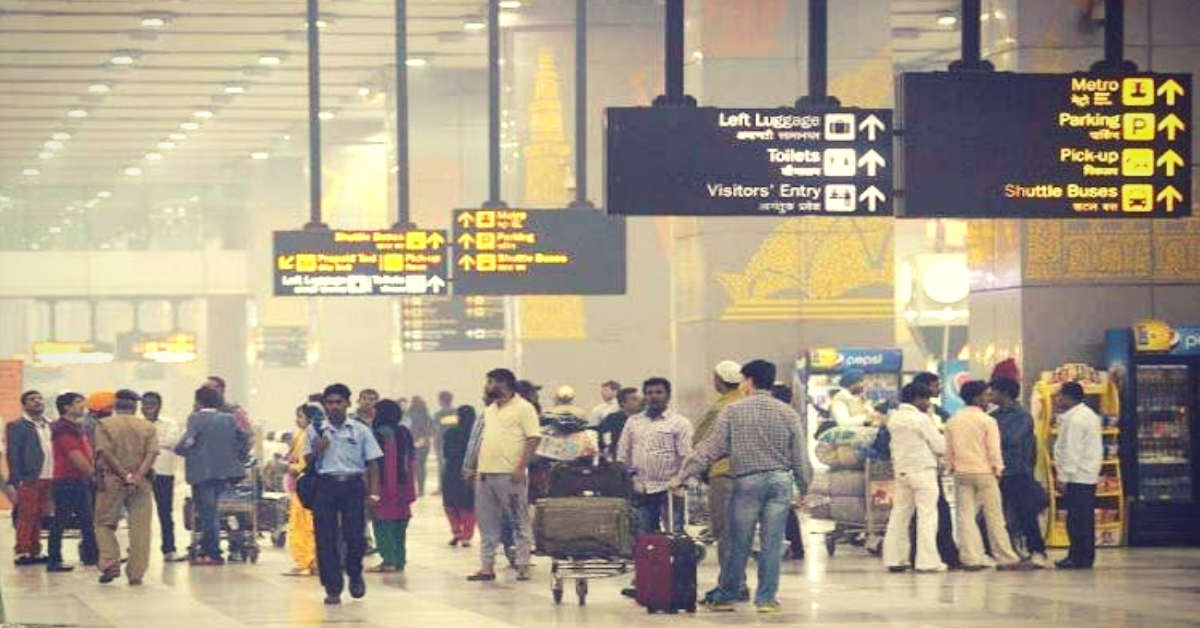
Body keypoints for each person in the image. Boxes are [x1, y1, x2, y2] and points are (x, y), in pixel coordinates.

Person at [670, 360, 811, 614]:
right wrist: (804, 486)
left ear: (749, 381)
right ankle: (766, 600)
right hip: (780, 482)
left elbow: (709, 448)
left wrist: (683, 476)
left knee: (738, 543)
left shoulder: (733, 411)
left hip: (747, 481)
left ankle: (726, 596)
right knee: (771, 543)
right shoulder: (787, 412)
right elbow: (800, 457)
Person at [305, 383, 383, 605]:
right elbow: (306, 462)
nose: (334, 407)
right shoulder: (315, 430)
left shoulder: (360, 430)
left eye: (339, 402)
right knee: (325, 538)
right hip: (325, 486)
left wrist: (374, 493)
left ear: (348, 403)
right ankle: (332, 587)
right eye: (329, 402)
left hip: (352, 486)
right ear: (324, 405)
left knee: (355, 536)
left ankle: (355, 574)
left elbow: (373, 463)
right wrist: (318, 450)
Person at [617, 377, 693, 598]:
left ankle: (677, 581)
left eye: (658, 392)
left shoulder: (679, 423)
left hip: (670, 489)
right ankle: (643, 581)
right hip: (641, 489)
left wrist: (680, 481)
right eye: (649, 392)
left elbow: (686, 456)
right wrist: (630, 477)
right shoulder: (633, 422)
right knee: (643, 537)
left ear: (667, 395)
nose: (653, 396)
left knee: (675, 535)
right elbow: (623, 454)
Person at [463, 368, 541, 583]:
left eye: (490, 382)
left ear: (503, 383)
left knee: (518, 520)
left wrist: (520, 467)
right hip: (485, 475)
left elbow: (533, 439)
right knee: (487, 523)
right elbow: (481, 441)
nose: (487, 387)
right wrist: (473, 469)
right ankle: (487, 567)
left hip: (510, 476)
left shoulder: (524, 408)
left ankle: (523, 565)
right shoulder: (489, 410)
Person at [944, 381, 1028, 571]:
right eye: (986, 395)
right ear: (977, 398)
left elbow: (948, 450)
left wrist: (951, 466)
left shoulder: (953, 420)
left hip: (961, 472)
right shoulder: (987, 421)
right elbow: (993, 449)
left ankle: (970, 558)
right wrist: (998, 469)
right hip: (984, 472)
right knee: (995, 516)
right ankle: (1005, 557)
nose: (988, 399)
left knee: (965, 517)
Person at [176, 386, 248, 566]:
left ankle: (213, 553)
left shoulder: (196, 418)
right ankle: (210, 549)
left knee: (208, 512)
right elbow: (244, 438)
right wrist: (237, 456)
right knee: (213, 510)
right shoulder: (229, 419)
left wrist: (181, 450)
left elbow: (188, 441)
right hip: (226, 472)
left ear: (199, 401)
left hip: (203, 472)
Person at [693, 361, 745, 602]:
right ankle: (740, 583)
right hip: (749, 475)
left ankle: (729, 587)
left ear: (719, 380)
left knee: (725, 533)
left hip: (723, 475)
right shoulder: (747, 401)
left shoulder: (722, 407)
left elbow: (701, 441)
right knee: (740, 533)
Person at [93, 389, 158, 585]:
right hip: (142, 483)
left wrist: (124, 475)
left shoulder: (104, 424)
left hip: (112, 481)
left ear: (114, 407)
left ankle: (111, 561)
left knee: (104, 523)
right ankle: (136, 573)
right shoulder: (147, 426)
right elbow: (152, 453)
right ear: (135, 407)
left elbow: (105, 452)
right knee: (141, 527)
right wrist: (137, 476)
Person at [881, 383, 946, 573]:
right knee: (927, 515)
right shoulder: (920, 419)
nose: (928, 403)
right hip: (923, 471)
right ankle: (927, 562)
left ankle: (895, 559)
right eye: (926, 399)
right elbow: (940, 446)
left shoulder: (894, 418)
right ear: (917, 399)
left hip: (902, 471)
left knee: (899, 515)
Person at [990, 377, 1047, 568]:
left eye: (994, 391)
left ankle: (1037, 551)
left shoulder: (1022, 416)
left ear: (1004, 393)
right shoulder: (993, 416)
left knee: (1026, 512)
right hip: (996, 471)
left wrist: (990, 436)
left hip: (1017, 471)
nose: (990, 395)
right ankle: (1004, 550)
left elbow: (1011, 439)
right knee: (997, 514)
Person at [910, 372, 961, 568]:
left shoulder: (935, 411)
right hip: (925, 469)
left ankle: (922, 555)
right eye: (935, 385)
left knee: (922, 515)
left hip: (919, 469)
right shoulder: (921, 415)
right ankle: (942, 556)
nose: (939, 388)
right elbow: (939, 445)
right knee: (935, 514)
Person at [1052, 381, 1102, 570]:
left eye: (1059, 395)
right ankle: (1083, 556)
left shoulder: (1076, 420)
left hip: (1077, 476)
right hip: (1086, 475)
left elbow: (1072, 451)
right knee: (1084, 518)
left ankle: (1078, 557)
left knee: (1076, 520)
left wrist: (1063, 477)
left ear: (1068, 397)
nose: (1057, 399)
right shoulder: (1088, 415)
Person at [47, 392, 99, 572]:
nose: (82, 405)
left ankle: (91, 556)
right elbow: (74, 455)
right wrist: (93, 475)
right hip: (66, 480)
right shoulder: (63, 428)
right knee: (61, 519)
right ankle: (54, 559)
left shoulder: (77, 426)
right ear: (66, 407)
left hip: (79, 479)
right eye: (78, 402)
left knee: (87, 519)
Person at [367, 399, 416, 572]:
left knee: (382, 522)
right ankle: (400, 559)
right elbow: (411, 461)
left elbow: (383, 461)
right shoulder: (405, 432)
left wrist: (383, 488)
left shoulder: (379, 433)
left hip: (383, 485)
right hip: (404, 485)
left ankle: (388, 560)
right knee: (400, 523)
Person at [8, 390, 54, 566]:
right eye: (32, 399)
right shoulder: (17, 425)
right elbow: (13, 453)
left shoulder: (50, 424)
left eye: (39, 398)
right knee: (26, 515)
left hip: (48, 476)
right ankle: (22, 551)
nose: (37, 402)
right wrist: (16, 477)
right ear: (24, 404)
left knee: (40, 515)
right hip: (29, 477)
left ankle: (35, 550)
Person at [141, 391, 185, 563]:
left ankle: (169, 549)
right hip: (141, 473)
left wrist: (149, 446)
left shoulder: (170, 423)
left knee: (165, 513)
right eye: (145, 404)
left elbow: (173, 442)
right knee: (138, 513)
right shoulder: (136, 423)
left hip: (164, 473)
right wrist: (159, 445)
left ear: (159, 406)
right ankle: (137, 549)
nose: (148, 408)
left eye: (152, 404)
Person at [283, 404, 320, 576]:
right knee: (307, 523)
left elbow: (304, 461)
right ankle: (311, 560)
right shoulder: (303, 434)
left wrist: (293, 468)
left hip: (304, 485)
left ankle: (304, 561)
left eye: (300, 416)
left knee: (301, 523)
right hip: (305, 485)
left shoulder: (308, 435)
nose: (297, 420)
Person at [770, 383, 805, 561]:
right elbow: (799, 452)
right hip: (785, 472)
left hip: (769, 471)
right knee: (786, 510)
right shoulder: (791, 416)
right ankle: (796, 548)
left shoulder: (768, 416)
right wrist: (803, 482)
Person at [442, 405, 477, 547]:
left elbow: (445, 453)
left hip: (451, 470)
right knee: (468, 504)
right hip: (470, 470)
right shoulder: (476, 435)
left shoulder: (450, 433)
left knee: (450, 503)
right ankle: (467, 536)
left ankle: (456, 531)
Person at [597, 387, 641, 457]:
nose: (639, 402)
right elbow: (605, 441)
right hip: (618, 458)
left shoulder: (644, 419)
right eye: (634, 399)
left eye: (638, 399)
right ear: (623, 403)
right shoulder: (612, 420)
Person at [407, 396, 435, 497]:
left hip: (412, 444)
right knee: (421, 467)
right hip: (424, 444)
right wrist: (424, 438)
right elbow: (431, 430)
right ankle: (421, 489)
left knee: (413, 467)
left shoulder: (409, 415)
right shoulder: (427, 416)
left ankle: (414, 489)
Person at [433, 391, 458, 494]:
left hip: (442, 443)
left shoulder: (439, 414)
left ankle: (442, 488)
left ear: (441, 401)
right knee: (454, 466)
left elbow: (436, 429)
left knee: (442, 467)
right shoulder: (457, 413)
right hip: (455, 443)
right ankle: (453, 487)